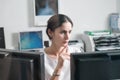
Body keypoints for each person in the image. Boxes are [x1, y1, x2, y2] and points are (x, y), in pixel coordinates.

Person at [44, 14, 83, 80]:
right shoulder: (42, 58)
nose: (67, 37)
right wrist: (59, 66)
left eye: (69, 32)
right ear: (50, 32)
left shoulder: (76, 53)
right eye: (63, 32)